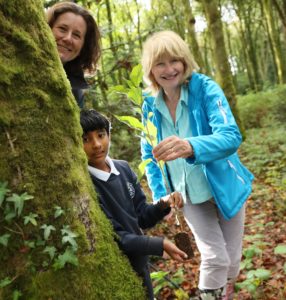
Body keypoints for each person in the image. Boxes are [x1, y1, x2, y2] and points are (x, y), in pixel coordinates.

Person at [140, 30, 254, 300]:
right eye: (160, 63)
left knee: (232, 260)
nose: (169, 70)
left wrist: (192, 146)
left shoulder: (204, 88)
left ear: (185, 61)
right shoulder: (148, 105)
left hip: (226, 187)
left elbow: (230, 135)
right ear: (151, 69)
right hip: (188, 197)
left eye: (174, 61)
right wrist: (160, 195)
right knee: (215, 258)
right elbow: (148, 153)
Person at [80, 109, 188, 300]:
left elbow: (141, 216)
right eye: (86, 139)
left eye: (100, 135)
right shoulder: (85, 184)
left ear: (109, 135)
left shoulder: (123, 168)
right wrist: (158, 244)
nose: (96, 145)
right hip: (115, 269)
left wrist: (163, 204)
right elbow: (115, 236)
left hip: (140, 262)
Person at [46, 2, 101, 108]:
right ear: (47, 29)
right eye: (62, 29)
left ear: (83, 47)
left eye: (76, 35)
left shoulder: (77, 90)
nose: (68, 38)